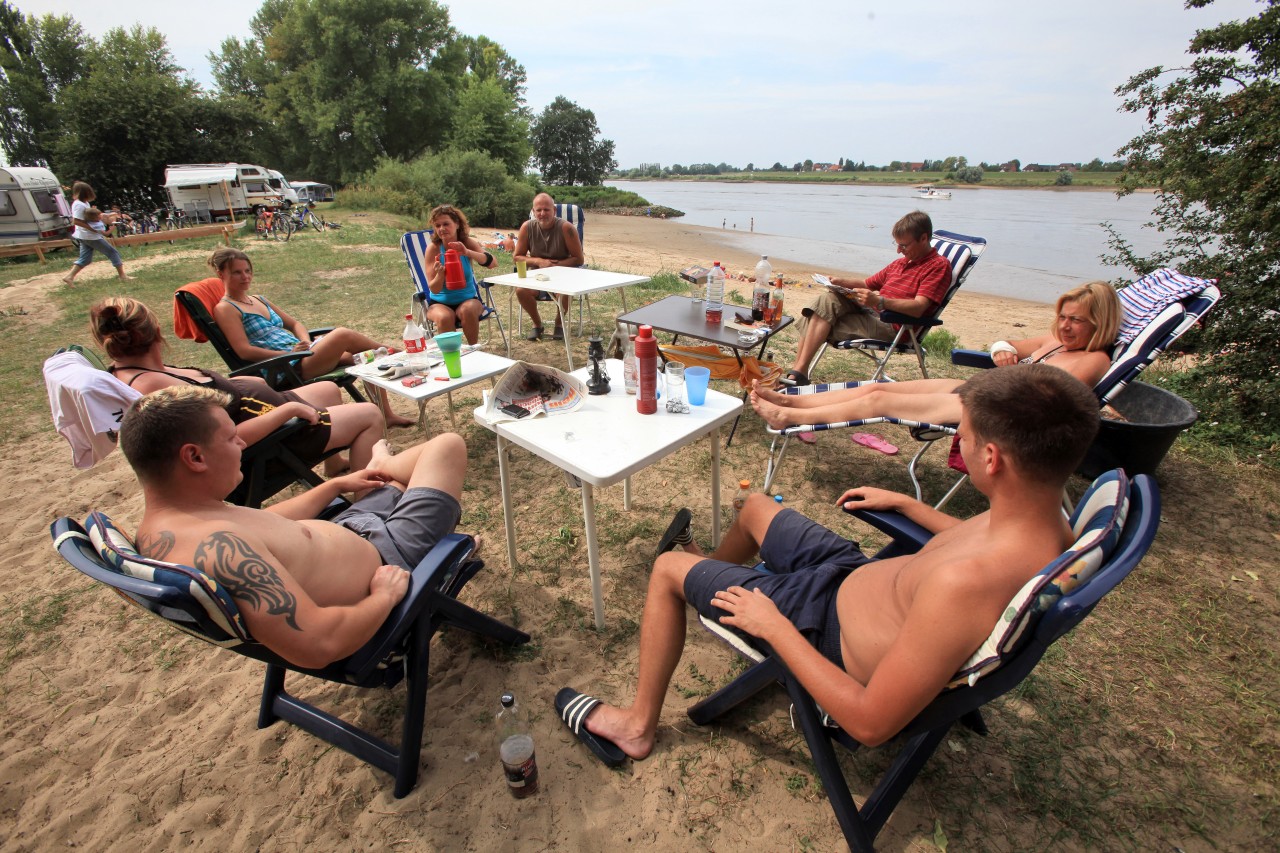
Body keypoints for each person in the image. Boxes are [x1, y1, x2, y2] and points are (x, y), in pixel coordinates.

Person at [556, 364, 1100, 764]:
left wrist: (773, 624)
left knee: (667, 566)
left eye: (966, 433)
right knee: (755, 508)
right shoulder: (1045, 527)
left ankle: (636, 725)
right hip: (850, 577)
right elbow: (973, 540)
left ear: (991, 459)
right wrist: (910, 505)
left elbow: (868, 723)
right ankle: (711, 587)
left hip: (818, 622)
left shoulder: (964, 586)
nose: (958, 437)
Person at [120, 385, 472, 668]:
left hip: (351, 528)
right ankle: (388, 465)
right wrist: (385, 596)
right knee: (447, 446)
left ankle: (386, 466)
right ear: (194, 457)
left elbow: (266, 524)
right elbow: (319, 645)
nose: (242, 443)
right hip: (391, 558)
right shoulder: (220, 551)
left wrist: (333, 486)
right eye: (231, 438)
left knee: (387, 479)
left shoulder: (177, 516)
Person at [751, 280, 1120, 430]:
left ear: (1100, 324)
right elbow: (1008, 344)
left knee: (880, 399)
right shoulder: (1058, 341)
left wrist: (1015, 371)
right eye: (1062, 317)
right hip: (986, 388)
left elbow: (1053, 398)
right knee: (876, 388)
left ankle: (787, 417)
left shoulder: (1093, 360)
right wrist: (1004, 350)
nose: (1065, 326)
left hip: (1000, 411)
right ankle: (790, 399)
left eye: (1077, 321)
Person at [90, 296, 385, 473]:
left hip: (264, 412)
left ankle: (334, 466)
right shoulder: (152, 386)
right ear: (156, 331)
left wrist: (244, 383)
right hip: (271, 441)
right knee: (369, 415)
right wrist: (288, 410)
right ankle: (367, 501)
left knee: (330, 390)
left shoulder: (136, 371)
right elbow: (219, 441)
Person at [208, 247, 415, 428]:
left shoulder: (258, 299)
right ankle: (400, 353)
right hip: (286, 367)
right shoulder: (226, 308)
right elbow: (244, 350)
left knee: (368, 355)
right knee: (342, 334)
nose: (245, 277)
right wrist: (288, 353)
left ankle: (386, 415)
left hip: (303, 354)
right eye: (237, 272)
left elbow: (295, 324)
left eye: (247, 271)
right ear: (221, 273)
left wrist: (305, 341)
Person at [785, 210, 952, 385]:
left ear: (924, 238)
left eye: (904, 246)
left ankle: (796, 375)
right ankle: (799, 372)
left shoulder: (938, 266)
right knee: (826, 300)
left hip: (895, 325)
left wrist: (880, 301)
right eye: (897, 244)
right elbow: (868, 283)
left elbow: (919, 307)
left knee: (815, 317)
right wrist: (841, 281)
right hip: (872, 313)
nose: (898, 251)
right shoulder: (902, 262)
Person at [421, 204, 497, 345]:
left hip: (467, 299)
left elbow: (492, 263)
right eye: (437, 225)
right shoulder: (434, 249)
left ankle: (473, 351)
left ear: (456, 224)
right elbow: (434, 289)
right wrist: (440, 274)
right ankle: (452, 357)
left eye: (446, 224)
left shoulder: (466, 243)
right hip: (439, 302)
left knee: (467, 310)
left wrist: (467, 252)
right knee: (444, 317)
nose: (442, 229)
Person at [513, 193, 585, 341]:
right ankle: (537, 324)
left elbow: (578, 258)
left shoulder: (566, 228)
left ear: (554, 211)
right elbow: (517, 257)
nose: (542, 213)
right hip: (538, 276)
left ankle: (559, 323)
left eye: (546, 210)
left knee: (564, 292)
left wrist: (553, 266)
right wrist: (539, 261)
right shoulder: (527, 227)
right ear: (533, 212)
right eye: (538, 210)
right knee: (521, 291)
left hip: (563, 276)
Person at [63, 181, 132, 286]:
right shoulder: (78, 205)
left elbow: (92, 216)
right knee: (112, 252)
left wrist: (104, 216)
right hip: (89, 236)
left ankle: (69, 277)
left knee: (85, 259)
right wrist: (92, 229)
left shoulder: (84, 203)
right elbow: (76, 221)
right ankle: (122, 276)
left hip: (85, 235)